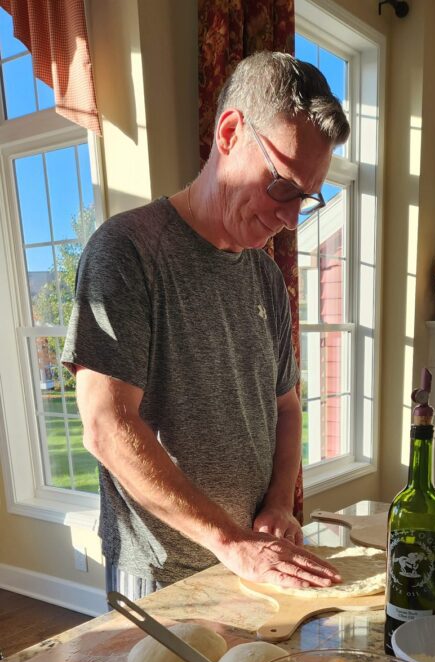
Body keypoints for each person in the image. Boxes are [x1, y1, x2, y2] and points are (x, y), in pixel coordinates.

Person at [62, 51, 350, 598]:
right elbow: (105, 425)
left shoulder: (266, 277)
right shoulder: (126, 252)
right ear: (230, 131)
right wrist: (232, 543)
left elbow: (285, 407)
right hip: (160, 572)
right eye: (283, 186)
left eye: (306, 199)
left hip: (251, 562)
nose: (290, 219)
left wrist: (276, 505)